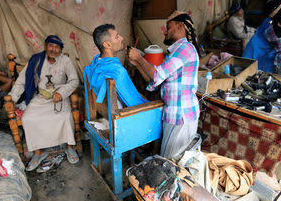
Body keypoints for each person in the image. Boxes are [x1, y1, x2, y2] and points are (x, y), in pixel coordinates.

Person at [128, 11, 200, 159]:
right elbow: (156, 81)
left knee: (171, 163)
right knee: (172, 161)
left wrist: (140, 59)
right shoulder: (176, 52)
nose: (165, 32)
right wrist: (138, 64)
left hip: (181, 115)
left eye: (168, 27)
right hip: (176, 114)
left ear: (180, 26)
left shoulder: (184, 49)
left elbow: (156, 74)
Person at [8, 35, 80, 171]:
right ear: (45, 46)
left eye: (57, 47)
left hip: (59, 97)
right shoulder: (36, 60)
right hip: (40, 97)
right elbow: (22, 80)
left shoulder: (65, 60)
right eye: (50, 46)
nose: (53, 49)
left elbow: (74, 80)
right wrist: (12, 97)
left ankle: (70, 147)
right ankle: (38, 152)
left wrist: (62, 93)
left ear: (60, 49)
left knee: (65, 116)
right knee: (28, 118)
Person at [85, 24, 147, 108]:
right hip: (126, 115)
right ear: (107, 44)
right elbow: (134, 103)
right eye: (117, 37)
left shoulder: (96, 64)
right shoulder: (118, 72)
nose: (122, 38)